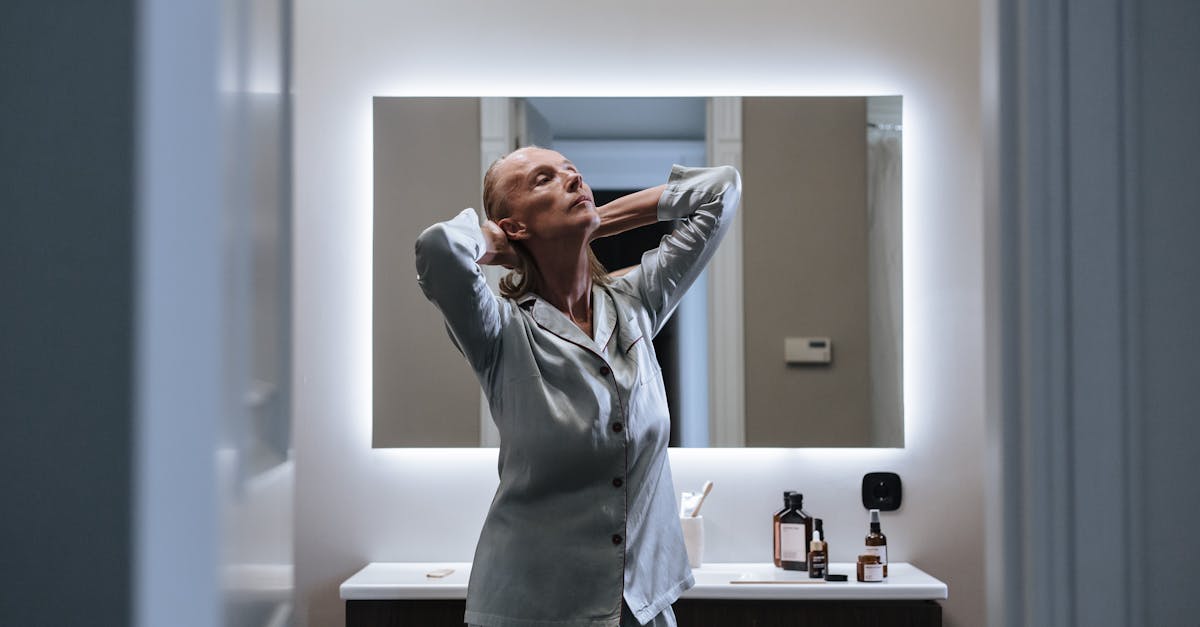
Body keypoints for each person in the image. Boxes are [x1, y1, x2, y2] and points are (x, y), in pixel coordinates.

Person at [415, 146, 741, 627]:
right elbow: (439, 248)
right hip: (531, 610)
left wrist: (596, 222)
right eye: (543, 179)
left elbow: (720, 190)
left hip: (641, 607)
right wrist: (498, 243)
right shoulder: (500, 331)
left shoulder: (635, 304)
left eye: (572, 171)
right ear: (514, 226)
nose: (572, 179)